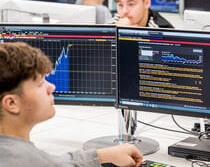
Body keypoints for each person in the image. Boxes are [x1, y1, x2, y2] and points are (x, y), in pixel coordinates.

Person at [0, 42, 143, 167]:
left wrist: (100, 156)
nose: (51, 87)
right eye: (40, 84)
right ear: (11, 103)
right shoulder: (25, 160)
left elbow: (55, 163)